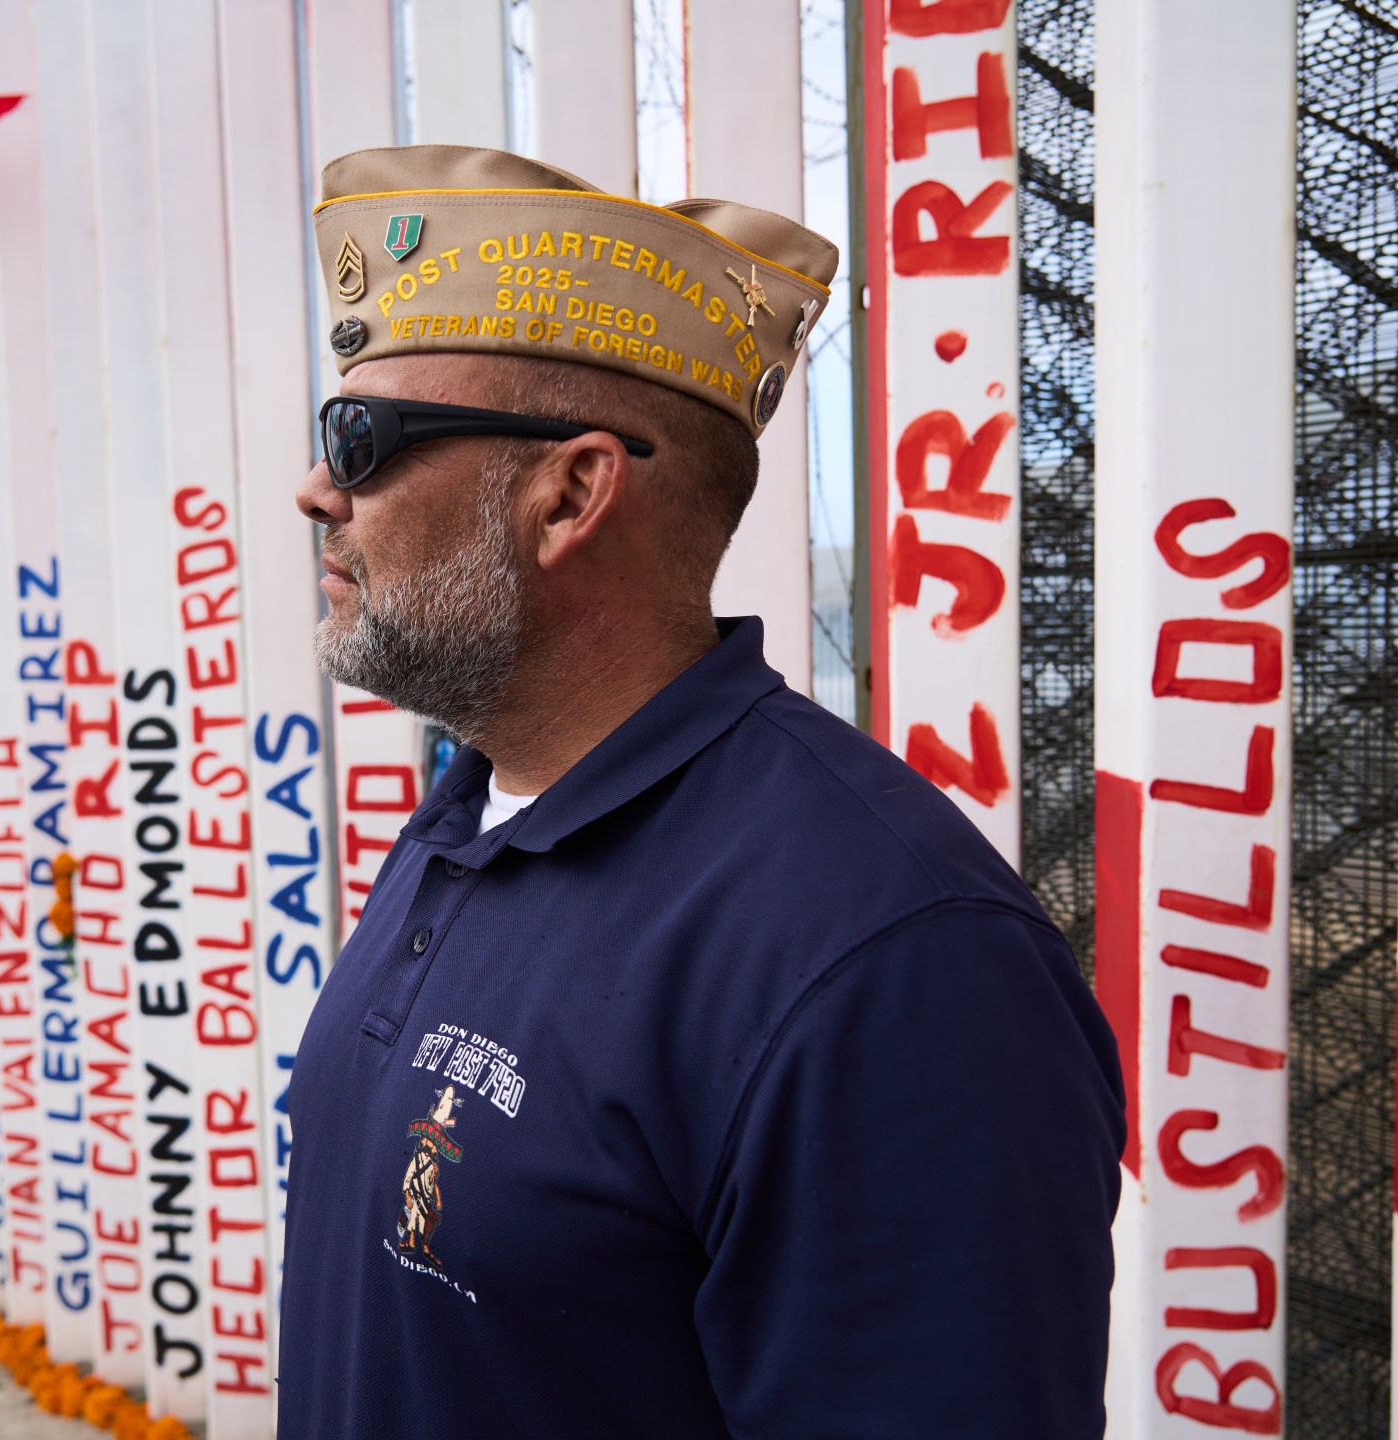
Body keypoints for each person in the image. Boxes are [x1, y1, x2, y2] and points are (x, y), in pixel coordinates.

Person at [278, 144, 1125, 1439]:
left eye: (361, 440)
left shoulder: (891, 965)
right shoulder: (472, 818)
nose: (317, 491)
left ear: (570, 495)